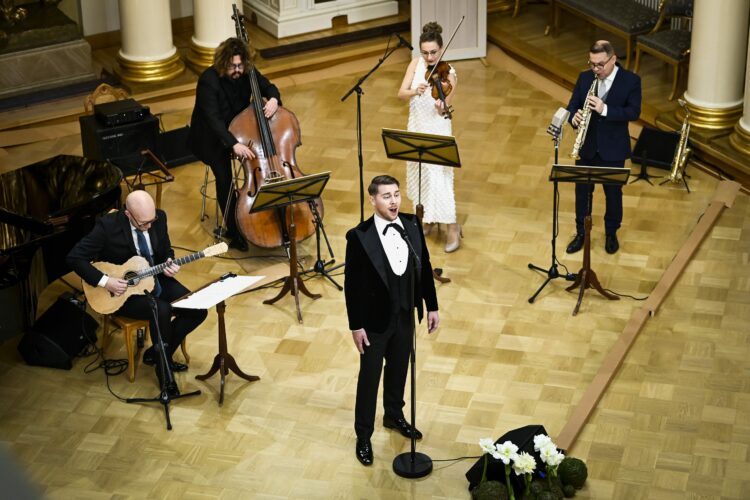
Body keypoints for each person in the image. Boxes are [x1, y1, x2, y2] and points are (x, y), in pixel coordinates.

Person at [67, 190, 207, 393]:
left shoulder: (158, 217)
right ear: (128, 214)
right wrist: (106, 281)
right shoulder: (107, 227)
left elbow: (165, 250)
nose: (149, 226)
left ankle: (158, 355)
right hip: (121, 291)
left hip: (154, 278)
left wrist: (168, 262)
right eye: (143, 224)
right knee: (163, 309)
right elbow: (74, 258)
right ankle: (164, 372)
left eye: (152, 220)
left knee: (198, 308)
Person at [344, 175, 440, 466]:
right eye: (386, 196)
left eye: (396, 194)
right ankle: (363, 436)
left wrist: (432, 306)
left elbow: (424, 269)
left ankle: (394, 415)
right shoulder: (359, 237)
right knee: (370, 377)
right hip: (373, 322)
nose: (394, 201)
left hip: (405, 315)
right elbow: (352, 285)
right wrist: (356, 325)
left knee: (399, 369)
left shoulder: (411, 226)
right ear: (372, 200)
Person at [189, 37, 282, 252]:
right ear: (223, 63)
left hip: (240, 131)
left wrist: (274, 99)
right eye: (233, 66)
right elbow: (213, 119)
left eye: (241, 65)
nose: (238, 70)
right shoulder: (208, 80)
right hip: (211, 138)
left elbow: (269, 86)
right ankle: (234, 231)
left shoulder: (248, 72)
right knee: (224, 178)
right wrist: (233, 144)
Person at [565, 40, 641, 255]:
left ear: (613, 59)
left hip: (613, 149)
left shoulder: (631, 81)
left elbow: (633, 112)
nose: (595, 69)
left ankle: (611, 233)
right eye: (592, 64)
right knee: (582, 193)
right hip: (586, 147)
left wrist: (605, 108)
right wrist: (574, 117)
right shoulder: (585, 77)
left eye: (600, 64)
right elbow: (572, 105)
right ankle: (581, 233)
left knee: (613, 193)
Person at [398, 22, 461, 253]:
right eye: (425, 52)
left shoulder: (449, 73)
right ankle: (428, 218)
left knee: (438, 178)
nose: (429, 56)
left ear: (441, 49)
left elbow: (446, 108)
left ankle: (453, 226)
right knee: (419, 174)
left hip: (437, 129)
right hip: (416, 126)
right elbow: (401, 93)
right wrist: (416, 91)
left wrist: (441, 105)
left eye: (433, 52)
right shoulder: (415, 65)